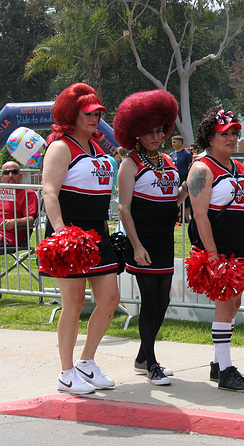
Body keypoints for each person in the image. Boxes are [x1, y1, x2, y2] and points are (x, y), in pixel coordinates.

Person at [40, 83, 121, 395]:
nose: (95, 117)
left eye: (98, 112)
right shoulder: (61, 147)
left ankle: (87, 361)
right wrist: (61, 231)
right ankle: (65, 371)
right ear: (71, 115)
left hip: (97, 233)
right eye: (88, 113)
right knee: (72, 303)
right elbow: (49, 191)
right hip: (70, 233)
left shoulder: (98, 149)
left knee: (110, 299)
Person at [114, 89, 187, 386]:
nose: (156, 137)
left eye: (160, 130)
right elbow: (123, 208)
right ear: (135, 134)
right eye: (149, 132)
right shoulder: (129, 164)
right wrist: (136, 245)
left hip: (164, 240)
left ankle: (143, 357)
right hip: (142, 242)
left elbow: (174, 201)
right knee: (150, 300)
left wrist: (189, 187)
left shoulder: (168, 162)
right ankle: (152, 363)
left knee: (164, 301)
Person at [187, 107, 244, 392]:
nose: (231, 138)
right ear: (210, 137)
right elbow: (200, 215)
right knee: (225, 305)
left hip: (241, 245)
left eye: (234, 133)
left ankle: (219, 364)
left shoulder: (239, 167)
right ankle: (226, 372)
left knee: (235, 304)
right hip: (220, 247)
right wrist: (213, 255)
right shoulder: (202, 169)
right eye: (224, 133)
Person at [0, 161, 38, 247]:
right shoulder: (0, 192)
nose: (10, 175)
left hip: (9, 237)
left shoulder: (28, 193)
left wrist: (14, 222)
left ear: (20, 176)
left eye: (14, 172)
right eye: (6, 173)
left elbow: (30, 220)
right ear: (1, 177)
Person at [169, 135, 192, 226]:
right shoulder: (172, 154)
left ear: (180, 142)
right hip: (175, 179)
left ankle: (189, 220)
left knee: (186, 202)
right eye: (172, 142)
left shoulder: (186, 154)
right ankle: (175, 220)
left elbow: (191, 166)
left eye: (175, 142)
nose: (173, 144)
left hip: (184, 178)